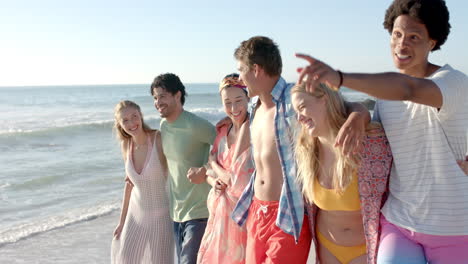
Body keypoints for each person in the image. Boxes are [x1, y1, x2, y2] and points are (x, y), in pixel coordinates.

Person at [295, 0, 468, 262]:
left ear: (432, 43)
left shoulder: (452, 82)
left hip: (453, 228)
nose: (402, 44)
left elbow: (409, 88)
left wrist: (340, 78)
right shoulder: (385, 97)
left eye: (414, 37)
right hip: (400, 222)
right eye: (397, 35)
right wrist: (358, 114)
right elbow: (377, 113)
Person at [231, 36, 370, 264]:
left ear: (255, 69)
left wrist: (358, 116)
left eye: (240, 70)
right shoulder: (255, 108)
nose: (239, 78)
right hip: (256, 210)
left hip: (286, 215)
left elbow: (340, 107)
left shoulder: (293, 98)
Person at [291, 82, 392, 264]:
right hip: (326, 249)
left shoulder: (369, 142)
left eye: (302, 107)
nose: (299, 118)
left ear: (324, 100)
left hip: (366, 249)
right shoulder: (306, 151)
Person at [151, 73, 216, 264]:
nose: (157, 102)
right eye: (155, 98)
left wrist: (204, 170)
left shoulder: (196, 125)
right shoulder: (163, 126)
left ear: (177, 95)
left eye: (162, 96)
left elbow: (228, 147)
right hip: (176, 211)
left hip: (199, 210)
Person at [197, 73, 254, 264]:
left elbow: (235, 179)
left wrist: (213, 163)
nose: (233, 108)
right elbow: (209, 174)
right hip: (218, 215)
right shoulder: (222, 130)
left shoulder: (253, 129)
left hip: (242, 217)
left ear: (248, 97)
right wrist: (215, 182)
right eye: (227, 102)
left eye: (238, 100)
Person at [111, 100, 173, 264]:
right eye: (125, 120)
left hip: (162, 216)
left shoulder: (158, 139)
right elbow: (129, 185)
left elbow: (178, 166)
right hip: (136, 215)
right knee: (126, 258)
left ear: (141, 116)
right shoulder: (126, 145)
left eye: (134, 116)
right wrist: (121, 222)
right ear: (119, 124)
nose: (131, 123)